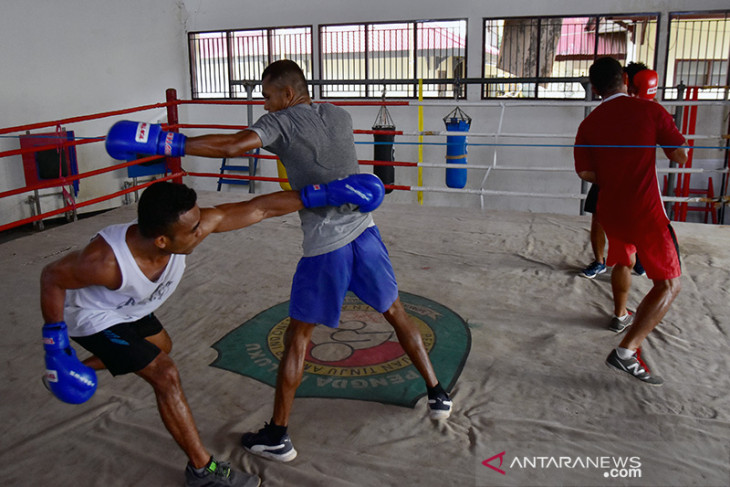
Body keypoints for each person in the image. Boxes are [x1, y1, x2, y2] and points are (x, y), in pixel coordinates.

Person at [104, 59, 453, 464]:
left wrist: (167, 142)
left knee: (298, 338)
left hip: (327, 245)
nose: (266, 106)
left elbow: (233, 146)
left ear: (288, 94)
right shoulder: (339, 115)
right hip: (367, 231)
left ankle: (278, 435)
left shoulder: (281, 122)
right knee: (395, 310)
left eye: (269, 98)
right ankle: (436, 392)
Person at [40, 178, 381, 486]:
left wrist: (321, 194)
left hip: (133, 305)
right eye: (192, 230)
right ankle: (202, 471)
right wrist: (55, 349)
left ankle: (82, 368)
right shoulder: (104, 262)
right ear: (162, 239)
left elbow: (258, 208)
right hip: (95, 315)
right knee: (165, 374)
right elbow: (51, 277)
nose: (201, 230)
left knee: (162, 346)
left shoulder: (185, 227)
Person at [574, 56, 688, 385]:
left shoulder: (589, 124)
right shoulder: (650, 110)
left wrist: (614, 173)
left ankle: (620, 315)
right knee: (669, 283)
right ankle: (626, 351)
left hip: (611, 212)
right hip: (645, 212)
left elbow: (584, 172)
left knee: (623, 262)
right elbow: (679, 155)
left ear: (595, 89)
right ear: (625, 78)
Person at [580, 62, 656, 280]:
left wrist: (647, 99)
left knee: (639, 217)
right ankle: (599, 261)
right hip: (608, 171)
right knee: (598, 215)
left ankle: (639, 257)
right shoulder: (608, 111)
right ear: (624, 81)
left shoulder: (647, 108)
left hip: (636, 173)